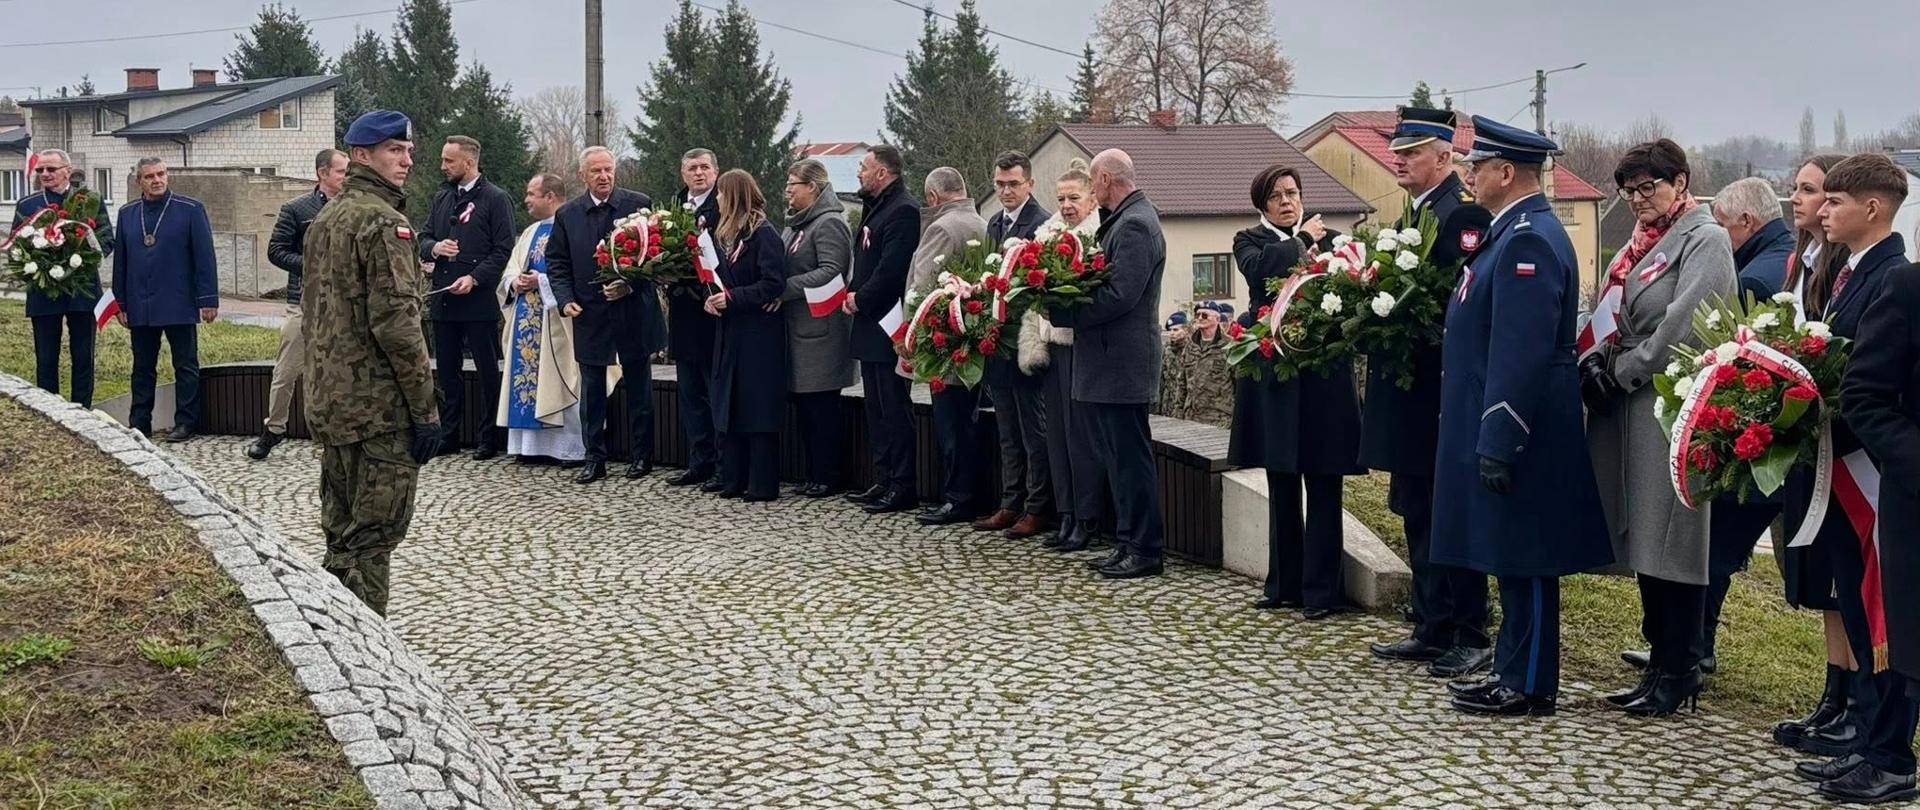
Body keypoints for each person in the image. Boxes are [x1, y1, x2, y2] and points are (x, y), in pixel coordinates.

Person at [1434, 117, 1612, 717]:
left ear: (1506, 173)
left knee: (1527, 558)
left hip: (1526, 428)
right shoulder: (1507, 233)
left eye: (1476, 168)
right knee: (1510, 553)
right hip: (1503, 421)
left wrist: (1501, 435)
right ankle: (1513, 669)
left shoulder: (1528, 240)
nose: (1468, 177)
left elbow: (1521, 350)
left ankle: (1530, 683)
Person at [1581, 140, 1737, 717]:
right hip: (1627, 406)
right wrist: (1592, 357)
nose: (1639, 199)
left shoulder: (1706, 239)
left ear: (1681, 182)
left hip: (1671, 406)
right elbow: (1613, 310)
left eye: (1650, 187)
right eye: (1630, 190)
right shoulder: (1638, 244)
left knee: (1674, 539)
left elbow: (1686, 325)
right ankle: (1659, 661)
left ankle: (1682, 667)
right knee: (1644, 536)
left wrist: (1621, 369)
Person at [1619, 175, 1797, 674]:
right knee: (1707, 553)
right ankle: (1681, 652)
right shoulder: (1776, 257)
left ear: (1745, 221)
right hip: (1758, 436)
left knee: (1708, 554)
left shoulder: (1756, 276)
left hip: (1748, 436)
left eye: (1722, 223)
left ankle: (1689, 653)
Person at [1787, 154, 1914, 803]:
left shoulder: (1892, 277)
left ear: (1873, 207)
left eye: (1835, 201)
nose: (1821, 211)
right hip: (1841, 466)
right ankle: (1869, 740)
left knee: (1881, 614)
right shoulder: (1849, 275)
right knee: (1861, 611)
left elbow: (1873, 385)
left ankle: (1888, 748)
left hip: (1870, 471)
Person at [1364, 108, 1495, 676]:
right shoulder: (1412, 212)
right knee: (1416, 507)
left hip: (1439, 390)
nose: (1399, 158)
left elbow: (1459, 304)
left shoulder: (1461, 214)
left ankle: (1470, 627)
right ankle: (1431, 620)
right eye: (1398, 149)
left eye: (1412, 150)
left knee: (1448, 511)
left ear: (1445, 157)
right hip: (1411, 390)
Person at [301, 110, 442, 616]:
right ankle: (369, 659)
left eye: (407, 150)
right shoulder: (385, 223)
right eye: (393, 151)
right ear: (362, 155)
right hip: (378, 409)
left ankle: (334, 637)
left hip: (332, 403)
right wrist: (425, 411)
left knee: (341, 536)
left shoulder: (327, 216)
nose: (406, 160)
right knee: (372, 540)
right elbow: (399, 327)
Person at [1226, 164, 1361, 619]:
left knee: (1324, 481)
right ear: (1262, 204)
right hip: (1277, 375)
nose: (1289, 200)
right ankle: (1283, 583)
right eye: (1278, 195)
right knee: (1281, 478)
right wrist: (1300, 241)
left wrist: (1313, 241)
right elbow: (1260, 274)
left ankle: (1323, 590)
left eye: (1294, 192)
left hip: (1323, 378)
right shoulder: (1251, 241)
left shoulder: (1333, 238)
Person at [1775, 154, 1863, 757]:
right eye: (1802, 191)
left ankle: (1855, 701)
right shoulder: (1799, 260)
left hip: (1839, 438)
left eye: (1814, 192)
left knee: (1843, 580)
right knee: (1823, 584)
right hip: (1808, 435)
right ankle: (1833, 697)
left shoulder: (1838, 265)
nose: (1803, 202)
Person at [1838, 204, 1920, 805]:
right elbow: (1864, 396)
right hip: (1915, 495)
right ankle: (1889, 756)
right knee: (1906, 637)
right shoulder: (1907, 286)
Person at [1059, 149, 1166, 579]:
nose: (1091, 186)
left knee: (1129, 458)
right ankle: (1128, 542)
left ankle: (1144, 548)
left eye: (1092, 180)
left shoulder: (1136, 224)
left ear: (1105, 179)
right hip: (1111, 360)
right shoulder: (1126, 219)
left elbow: (1121, 294)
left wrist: (1067, 311)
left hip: (1122, 360)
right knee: (1117, 457)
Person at [546, 146, 662, 485]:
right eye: (596, 171)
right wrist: (566, 299)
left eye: (608, 169)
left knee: (640, 388)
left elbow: (655, 255)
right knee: (592, 392)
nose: (604, 176)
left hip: (633, 310)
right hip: (589, 313)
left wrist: (629, 284)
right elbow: (557, 261)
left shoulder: (638, 204)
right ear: (583, 175)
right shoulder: (568, 214)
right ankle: (593, 457)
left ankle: (642, 457)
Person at [1028, 159, 1110, 554]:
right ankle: (1065, 513)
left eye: (1074, 198)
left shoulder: (1097, 236)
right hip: (1053, 344)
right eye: (1060, 198)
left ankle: (1087, 518)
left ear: (1092, 198)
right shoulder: (1049, 235)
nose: (1066, 205)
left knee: (1082, 437)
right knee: (1057, 436)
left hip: (1081, 346)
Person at [418, 135, 515, 459]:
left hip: (478, 300)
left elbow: (503, 250)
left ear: (469, 162)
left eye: (449, 161)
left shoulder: (496, 198)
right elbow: (424, 236)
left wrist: (474, 278)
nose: (442, 166)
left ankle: (489, 437)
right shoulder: (442, 197)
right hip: (444, 297)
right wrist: (434, 248)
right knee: (447, 371)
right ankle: (449, 434)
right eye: (443, 160)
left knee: (488, 370)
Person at [976, 150, 1055, 539]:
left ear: (1030, 184)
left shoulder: (1041, 224)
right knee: (1007, 429)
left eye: (1013, 184)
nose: (1005, 191)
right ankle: (1011, 502)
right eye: (1000, 184)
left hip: (1025, 342)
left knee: (1032, 430)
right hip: (998, 341)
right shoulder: (994, 222)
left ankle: (1036, 507)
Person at [250, 148, 348, 460]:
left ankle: (329, 437)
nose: (347, 177)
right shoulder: (296, 208)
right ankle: (273, 430)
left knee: (336, 373)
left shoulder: (354, 208)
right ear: (323, 173)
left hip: (344, 305)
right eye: (342, 171)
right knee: (286, 371)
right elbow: (275, 250)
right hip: (303, 303)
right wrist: (312, 263)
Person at [112, 157, 218, 442]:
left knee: (185, 364)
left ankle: (186, 421)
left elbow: (204, 257)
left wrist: (208, 299)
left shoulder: (190, 209)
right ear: (139, 182)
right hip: (140, 303)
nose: (157, 180)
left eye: (161, 174)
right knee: (142, 366)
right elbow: (120, 262)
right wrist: (119, 303)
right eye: (150, 176)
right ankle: (139, 422)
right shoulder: (127, 213)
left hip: (179, 299)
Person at [906, 167, 990, 527]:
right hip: (975, 340)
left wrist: (911, 333)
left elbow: (921, 289)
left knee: (952, 425)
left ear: (933, 198)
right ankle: (967, 496)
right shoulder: (983, 223)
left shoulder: (940, 227)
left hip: (948, 342)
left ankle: (958, 499)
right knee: (966, 422)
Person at [703, 169, 791, 502]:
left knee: (757, 406)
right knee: (732, 404)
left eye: (722, 193)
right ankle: (733, 478)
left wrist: (734, 298)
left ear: (735, 195)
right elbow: (718, 279)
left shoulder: (763, 234)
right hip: (731, 331)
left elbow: (772, 283)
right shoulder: (723, 235)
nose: (718, 199)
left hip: (758, 335)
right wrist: (712, 299)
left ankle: (762, 483)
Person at [844, 145, 920, 514]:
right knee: (875, 408)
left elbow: (893, 270)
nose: (859, 172)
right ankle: (884, 477)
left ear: (883, 173)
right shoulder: (876, 206)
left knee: (894, 407)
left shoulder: (903, 209)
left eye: (864, 166)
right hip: (869, 324)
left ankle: (903, 484)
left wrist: (860, 298)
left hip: (888, 324)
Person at [494, 173, 589, 465]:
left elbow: (581, 272)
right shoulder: (530, 231)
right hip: (527, 319)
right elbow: (510, 269)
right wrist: (515, 282)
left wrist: (543, 281)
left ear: (550, 196)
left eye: (531, 194)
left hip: (559, 318)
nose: (526, 200)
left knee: (562, 378)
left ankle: (568, 449)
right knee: (527, 381)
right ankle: (530, 447)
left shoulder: (574, 225)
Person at [12, 149, 113, 409]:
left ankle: (83, 410)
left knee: (83, 356)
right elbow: (17, 247)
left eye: (51, 169)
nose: (45, 174)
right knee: (46, 358)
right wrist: (38, 264)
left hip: (82, 290)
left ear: (67, 170)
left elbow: (105, 239)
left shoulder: (89, 200)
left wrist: (80, 257)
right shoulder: (28, 204)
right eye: (40, 170)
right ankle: (50, 411)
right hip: (44, 290)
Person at [779, 158, 855, 498]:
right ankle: (812, 472)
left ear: (813, 187)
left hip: (821, 332)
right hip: (797, 331)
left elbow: (832, 272)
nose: (787, 191)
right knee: (806, 410)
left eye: (793, 184)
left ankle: (828, 475)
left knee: (822, 408)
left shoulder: (828, 224)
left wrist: (783, 289)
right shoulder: (795, 225)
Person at [665, 148, 724, 490]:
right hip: (683, 311)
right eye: (692, 168)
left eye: (705, 167)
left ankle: (721, 463)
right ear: (682, 172)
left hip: (712, 309)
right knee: (689, 393)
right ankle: (698, 461)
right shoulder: (674, 205)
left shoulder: (723, 204)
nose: (699, 173)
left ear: (715, 172)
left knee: (713, 390)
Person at [1713, 176, 1796, 303]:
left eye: (1721, 225)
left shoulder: (1751, 284)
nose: (1717, 233)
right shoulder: (1803, 257)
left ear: (1746, 221)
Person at [1155, 302, 1232, 429]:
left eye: (1205, 315)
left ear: (1217, 319)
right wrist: (1177, 414)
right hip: (1191, 418)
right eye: (1198, 315)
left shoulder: (1229, 346)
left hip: (1219, 420)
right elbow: (1182, 384)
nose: (1200, 318)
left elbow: (1238, 385)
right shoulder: (1190, 346)